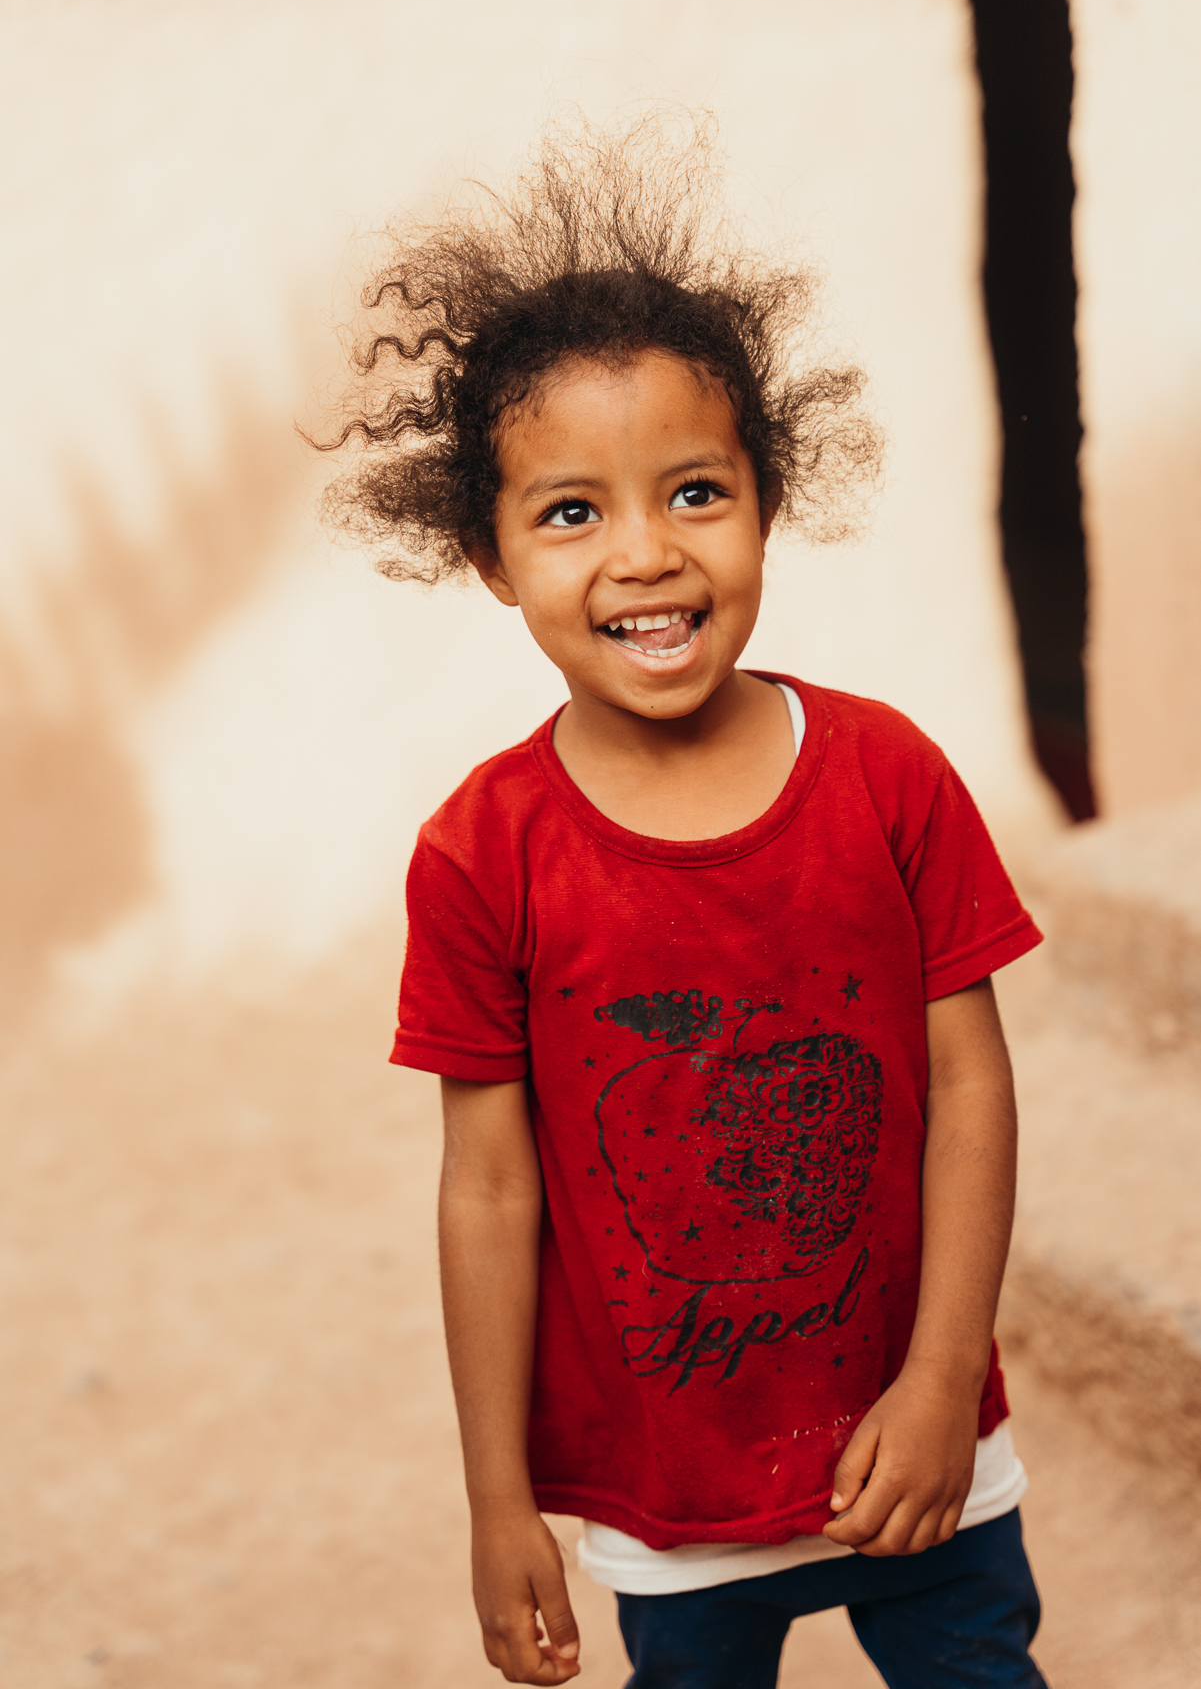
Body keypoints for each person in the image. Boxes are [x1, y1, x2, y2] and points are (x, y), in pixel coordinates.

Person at [319, 116, 1050, 1688]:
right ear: (489, 555)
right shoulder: (482, 853)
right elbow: (487, 1190)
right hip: (668, 1493)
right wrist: (498, 1502)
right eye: (569, 512)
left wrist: (940, 1385)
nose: (644, 556)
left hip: (921, 1452)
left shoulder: (886, 775)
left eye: (695, 492)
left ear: (768, 501)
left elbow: (970, 1089)